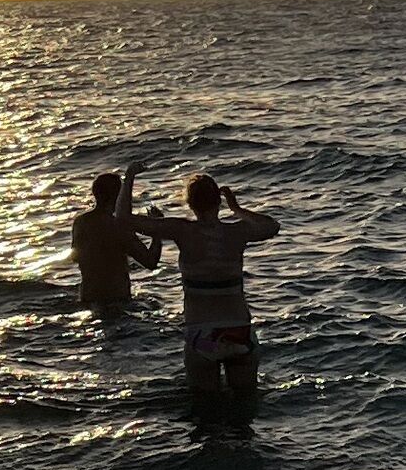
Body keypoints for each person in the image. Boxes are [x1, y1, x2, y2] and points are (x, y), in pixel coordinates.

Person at [134, 172, 279, 400]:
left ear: (190, 204)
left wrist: (130, 177)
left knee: (205, 411)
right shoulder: (237, 231)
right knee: (245, 407)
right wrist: (237, 209)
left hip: (204, 337)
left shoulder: (182, 230)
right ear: (218, 202)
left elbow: (124, 220)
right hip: (239, 332)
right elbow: (272, 226)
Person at [69, 168, 159, 313]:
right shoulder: (118, 226)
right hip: (118, 300)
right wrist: (156, 231)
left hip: (88, 297)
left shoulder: (80, 222)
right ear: (119, 197)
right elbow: (150, 261)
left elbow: (75, 257)